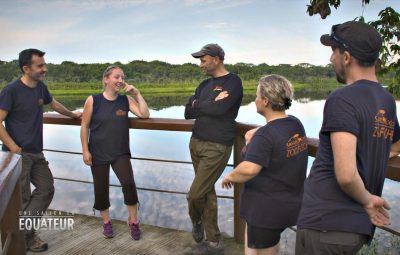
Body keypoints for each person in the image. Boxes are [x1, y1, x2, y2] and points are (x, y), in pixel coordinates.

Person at [295, 21, 400, 255]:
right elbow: (395, 143)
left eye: (333, 51)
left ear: (347, 57)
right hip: (354, 228)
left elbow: (345, 175)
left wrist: (367, 200)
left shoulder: (342, 99)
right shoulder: (386, 100)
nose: (331, 58)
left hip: (325, 223)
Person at [0, 48, 81, 252]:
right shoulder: (11, 91)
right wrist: (13, 147)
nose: (45, 69)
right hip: (18, 154)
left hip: (37, 151)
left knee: (46, 187)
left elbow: (52, 104)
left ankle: (23, 232)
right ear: (26, 68)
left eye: (44, 64)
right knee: (24, 198)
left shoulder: (40, 88)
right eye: (40, 66)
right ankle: (27, 237)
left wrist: (72, 114)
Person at [222, 75, 308, 255]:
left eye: (256, 96)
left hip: (265, 211)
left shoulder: (265, 136)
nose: (254, 100)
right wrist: (257, 133)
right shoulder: (295, 124)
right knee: (270, 246)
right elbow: (276, 133)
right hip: (290, 204)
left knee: (259, 252)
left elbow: (249, 169)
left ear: (266, 100)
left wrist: (230, 176)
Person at [184, 43, 243, 254]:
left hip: (217, 145)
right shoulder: (203, 85)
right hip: (196, 142)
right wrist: (206, 103)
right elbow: (187, 112)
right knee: (206, 192)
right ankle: (214, 241)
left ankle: (197, 221)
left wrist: (199, 104)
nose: (201, 64)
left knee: (194, 194)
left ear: (216, 59)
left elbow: (221, 109)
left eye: (203, 59)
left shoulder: (233, 82)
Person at [80, 65, 149, 241]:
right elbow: (84, 126)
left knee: (128, 183)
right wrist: (85, 150)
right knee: (101, 188)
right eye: (117, 77)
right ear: (106, 79)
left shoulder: (125, 101)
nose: (121, 81)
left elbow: (144, 114)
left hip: (120, 152)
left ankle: (133, 221)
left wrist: (137, 94)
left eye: (122, 77)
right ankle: (106, 222)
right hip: (98, 152)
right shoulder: (93, 100)